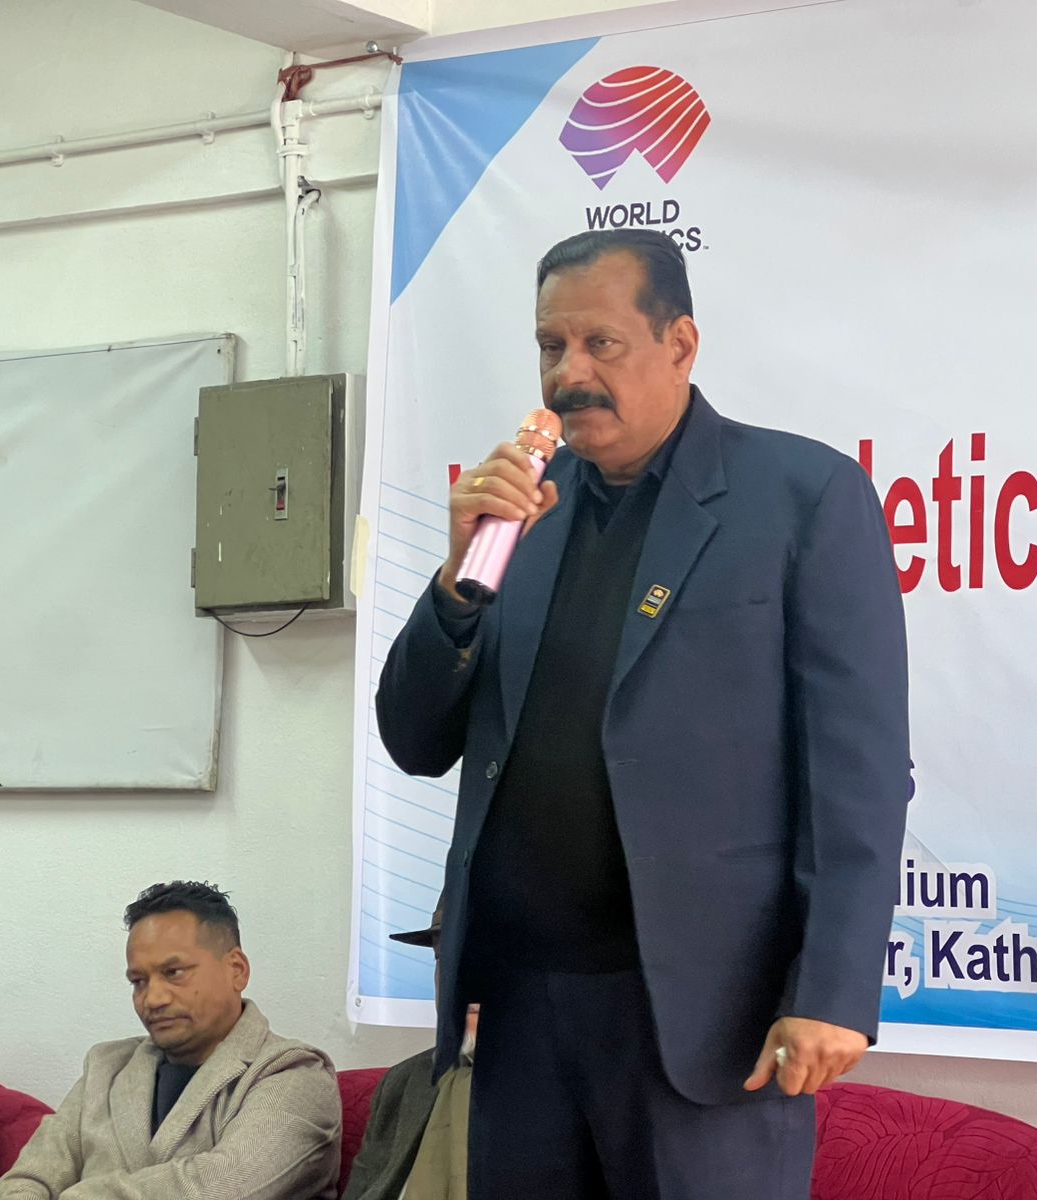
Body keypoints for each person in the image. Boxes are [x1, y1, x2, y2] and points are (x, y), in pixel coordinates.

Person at [375, 228, 910, 1199]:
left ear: (680, 344)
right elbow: (415, 740)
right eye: (551, 346)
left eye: (600, 344)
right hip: (521, 1016)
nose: (568, 374)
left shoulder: (801, 495)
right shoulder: (520, 515)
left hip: (707, 1022)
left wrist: (833, 992)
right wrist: (456, 582)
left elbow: (859, 772)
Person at [0, 880, 340, 1200]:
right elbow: (27, 1180)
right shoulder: (105, 1068)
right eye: (138, 981)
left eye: (174, 973)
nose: (153, 999)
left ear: (237, 970)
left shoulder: (294, 1075)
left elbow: (218, 1189)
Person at [344, 901, 474, 1200]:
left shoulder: (566, 1092)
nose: (457, 979)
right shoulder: (403, 1083)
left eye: (480, 957)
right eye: (443, 958)